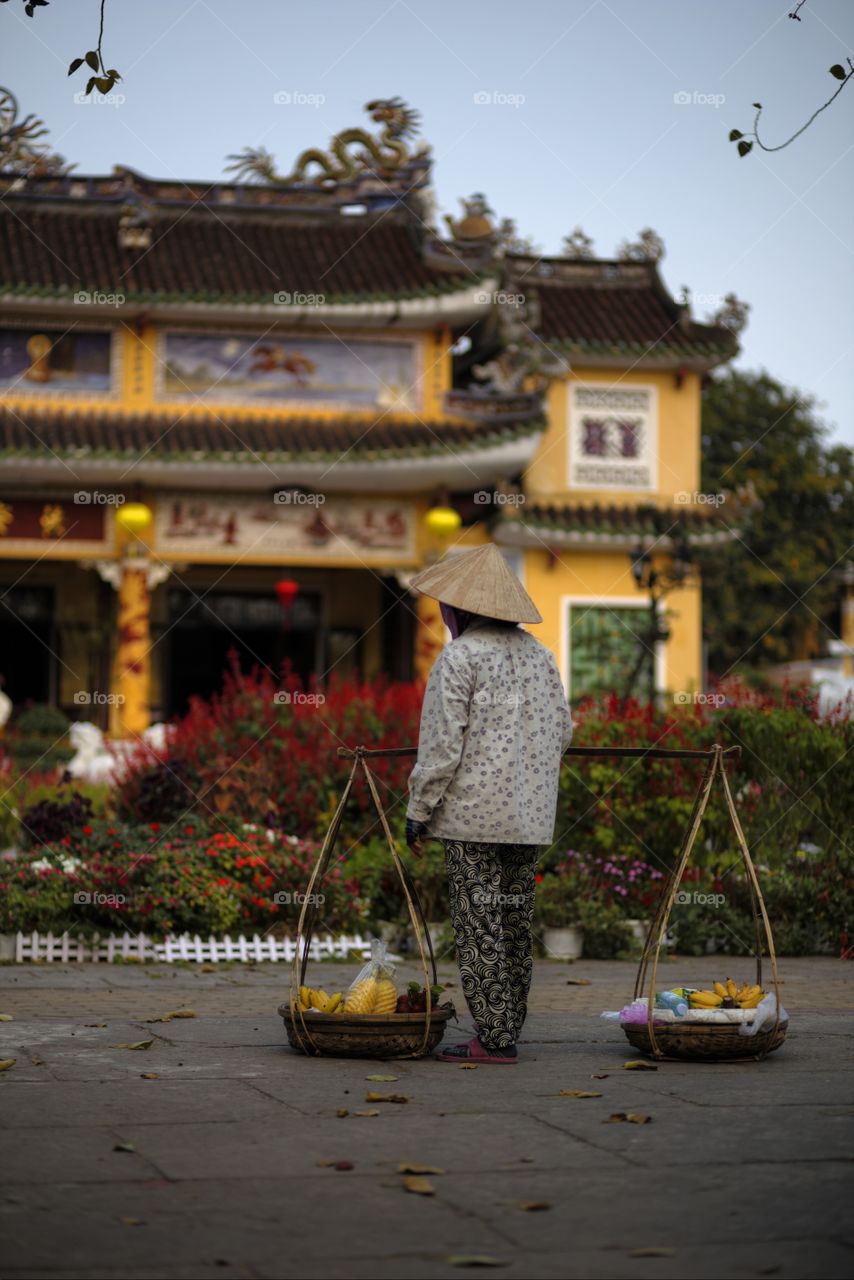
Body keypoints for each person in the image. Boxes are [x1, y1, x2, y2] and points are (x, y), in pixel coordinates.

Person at [405, 543, 573, 1064]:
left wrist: (418, 809)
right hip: (528, 819)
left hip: (472, 818)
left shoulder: (459, 657)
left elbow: (440, 746)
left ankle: (494, 1040)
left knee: (479, 927)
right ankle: (505, 1032)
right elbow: (562, 731)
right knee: (515, 924)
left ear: (461, 610)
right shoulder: (541, 657)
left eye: (445, 607)